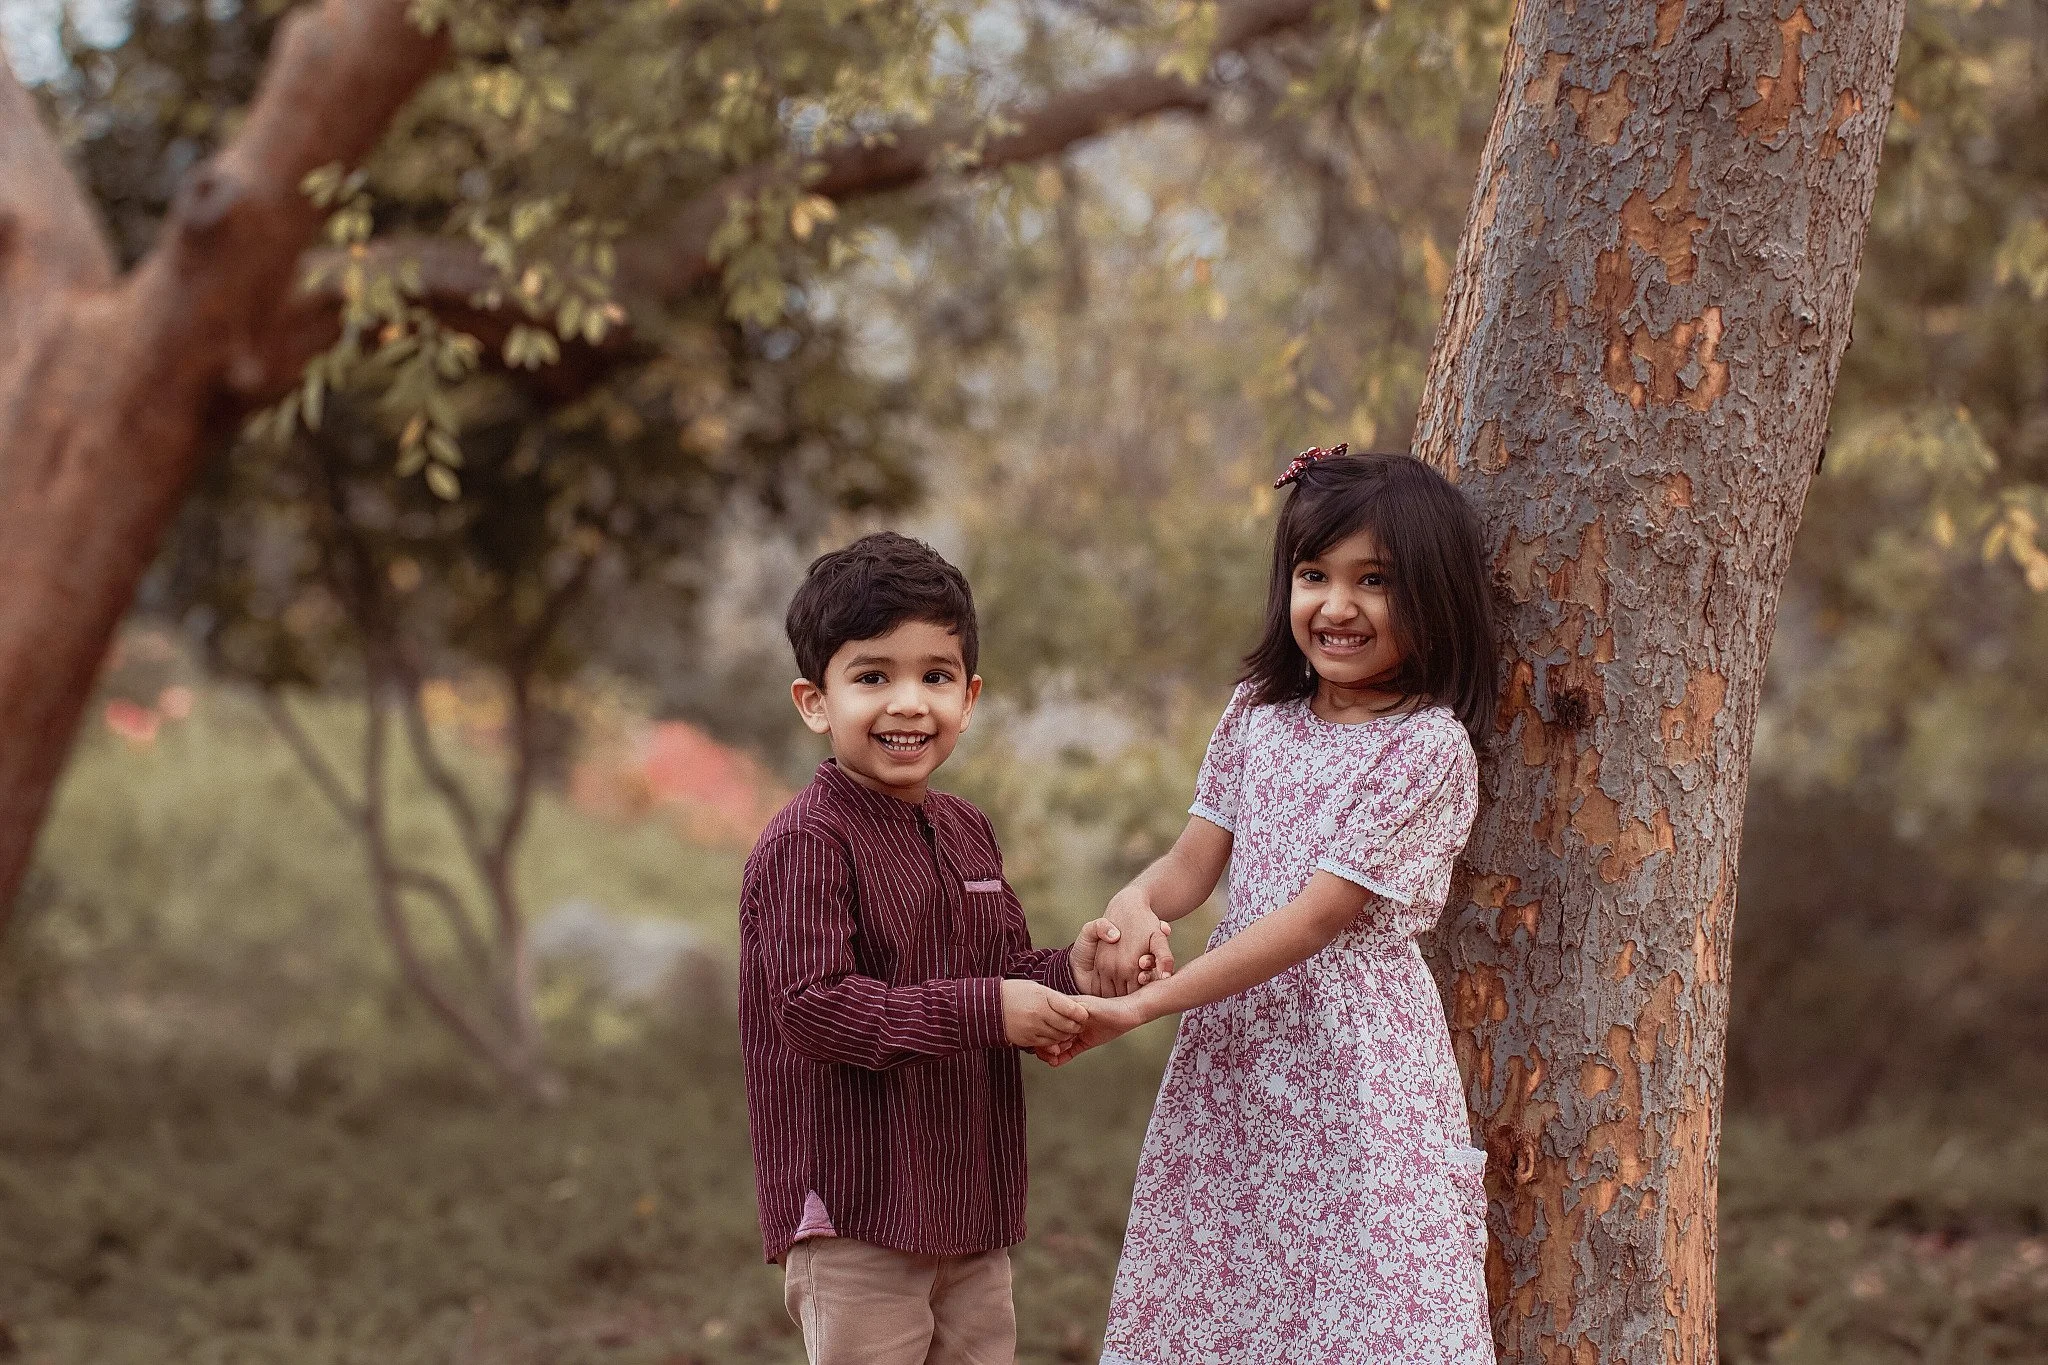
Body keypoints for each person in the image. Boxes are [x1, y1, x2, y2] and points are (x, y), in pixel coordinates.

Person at [1067, 447, 1500, 1363]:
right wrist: (1135, 903)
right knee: (1224, 1285)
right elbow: (1194, 861)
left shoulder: (1427, 750)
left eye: (1372, 581)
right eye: (1315, 575)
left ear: (1435, 594)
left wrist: (1142, 1004)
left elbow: (1313, 918)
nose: (1336, 606)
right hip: (1239, 1052)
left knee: (1372, 1301)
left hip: (1356, 1064)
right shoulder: (1259, 712)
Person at [738, 530, 1165, 1365]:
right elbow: (816, 1009)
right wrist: (990, 1007)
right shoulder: (806, 843)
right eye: (872, 676)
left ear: (969, 698)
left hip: (969, 1206)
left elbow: (1001, 973)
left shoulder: (966, 830)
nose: (908, 703)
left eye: (934, 676)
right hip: (859, 1214)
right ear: (814, 700)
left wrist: (1075, 970)